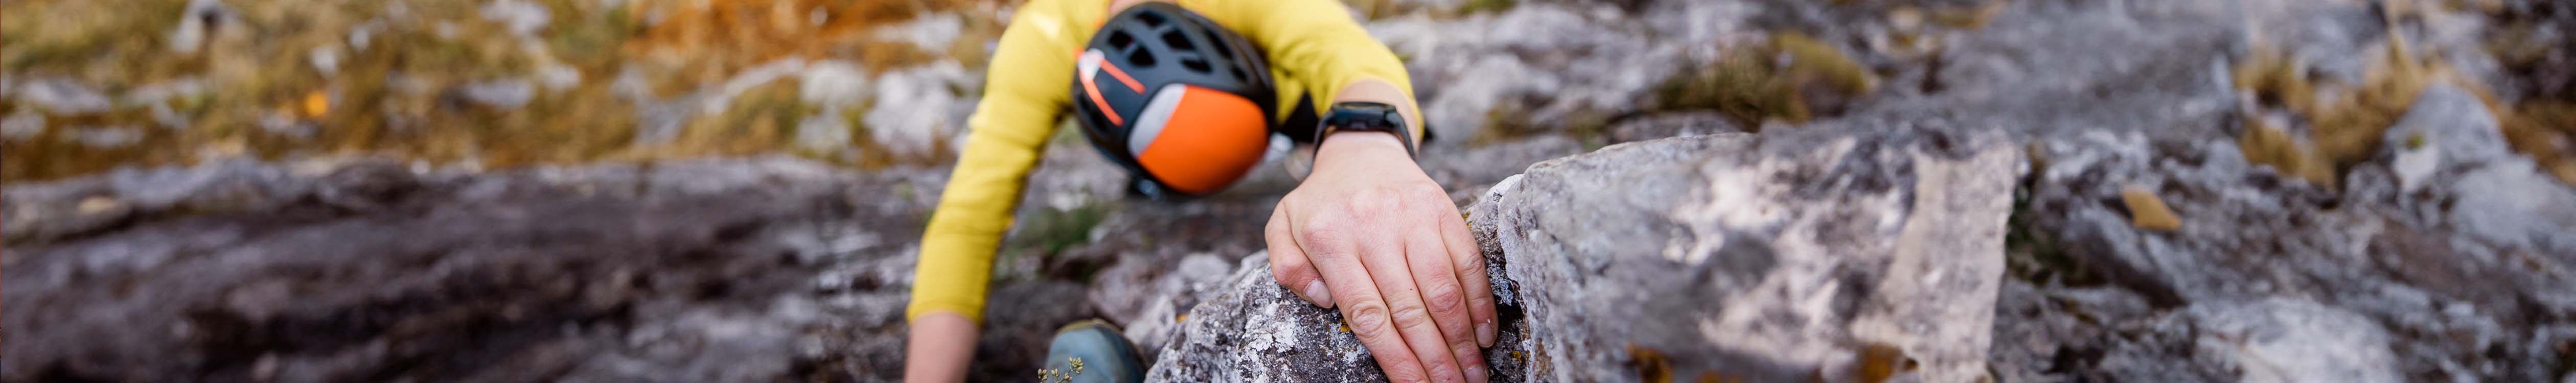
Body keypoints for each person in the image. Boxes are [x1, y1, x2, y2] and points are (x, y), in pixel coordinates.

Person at [903, 0, 1497, 382]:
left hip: (1289, 104)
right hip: (1160, 156)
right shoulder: (1046, 36)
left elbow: (1348, 53)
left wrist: (1365, 141)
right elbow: (969, 217)